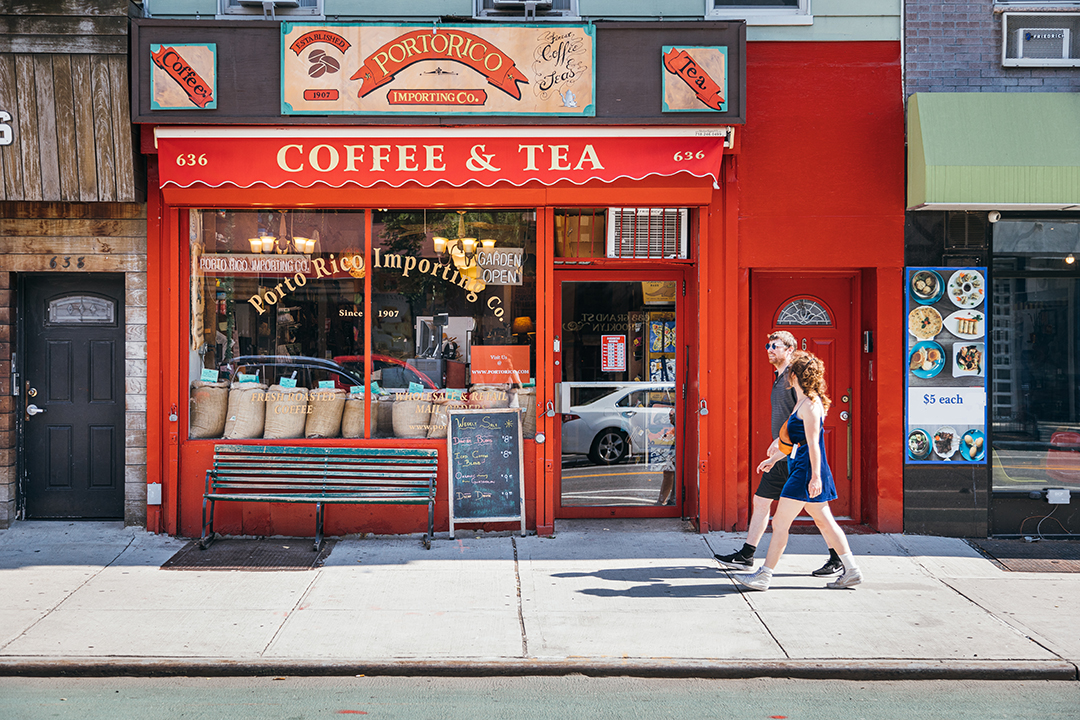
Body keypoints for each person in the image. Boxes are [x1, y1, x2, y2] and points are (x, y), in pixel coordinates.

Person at [732, 351, 863, 591]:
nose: (785, 375)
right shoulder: (803, 402)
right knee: (825, 522)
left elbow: (814, 445)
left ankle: (764, 575)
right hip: (802, 467)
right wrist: (774, 459)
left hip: (804, 472)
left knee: (781, 523)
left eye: (788, 371)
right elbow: (796, 443)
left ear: (794, 375)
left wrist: (815, 477)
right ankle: (852, 571)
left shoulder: (810, 405)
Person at [714, 332, 841, 576]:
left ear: (790, 349)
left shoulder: (793, 378)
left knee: (817, 512)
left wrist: (782, 439)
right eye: (768, 345)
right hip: (784, 454)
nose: (770, 349)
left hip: (793, 455)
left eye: (776, 346)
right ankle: (747, 554)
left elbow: (808, 411)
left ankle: (839, 558)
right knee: (763, 501)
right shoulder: (780, 377)